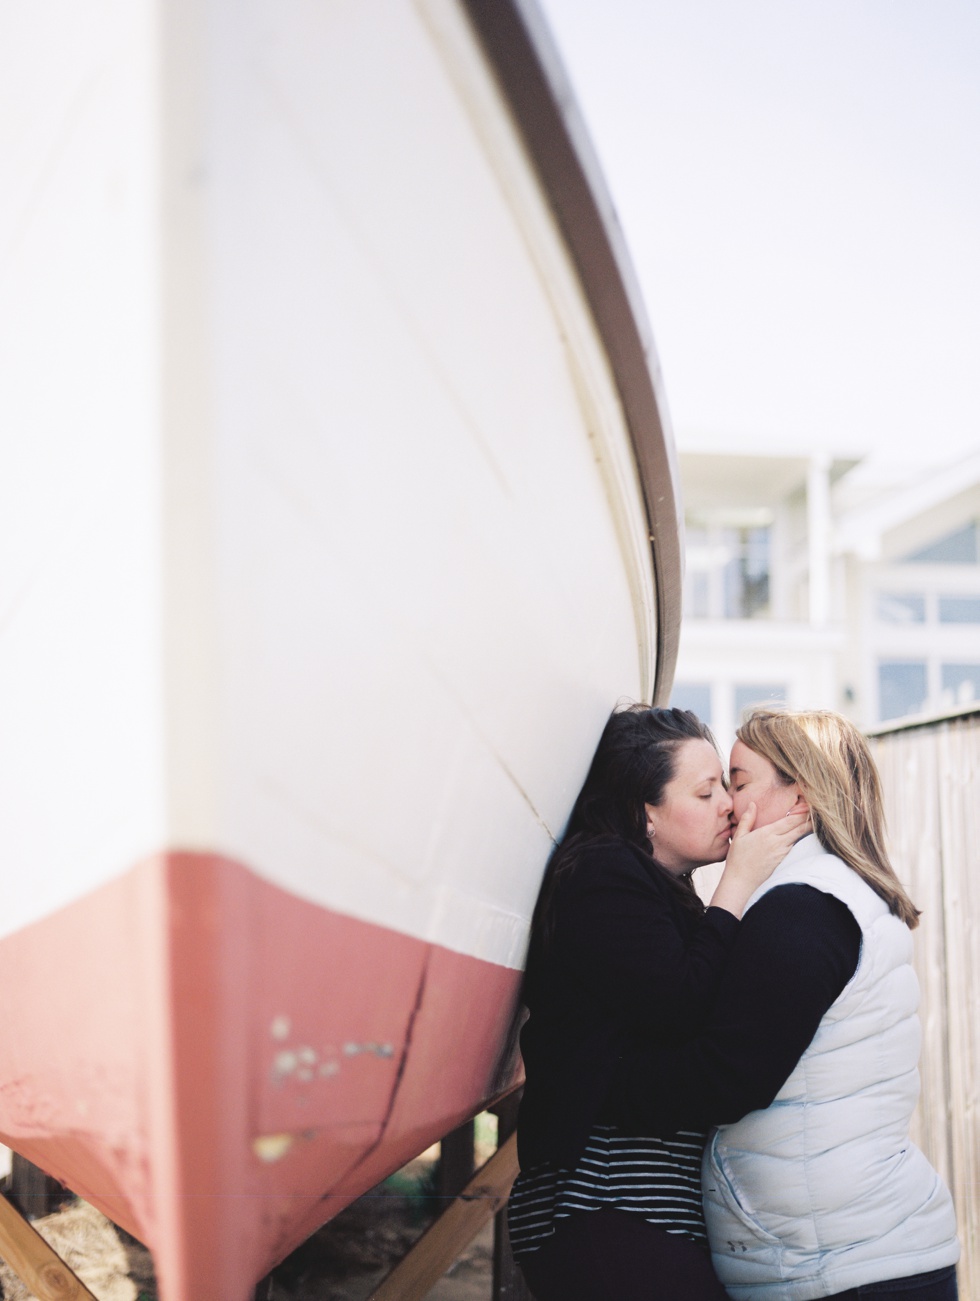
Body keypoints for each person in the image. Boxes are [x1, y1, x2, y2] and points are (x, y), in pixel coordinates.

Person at [618, 707, 960, 1300]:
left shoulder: (801, 908)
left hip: (840, 1266)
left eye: (739, 782)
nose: (725, 801)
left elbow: (728, 1079)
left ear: (798, 797)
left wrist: (589, 1077)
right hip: (847, 1251)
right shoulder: (832, 895)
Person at [508, 703, 809, 1301]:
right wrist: (738, 886)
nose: (728, 803)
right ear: (644, 811)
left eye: (727, 784)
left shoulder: (659, 891)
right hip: (599, 1200)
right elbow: (681, 1007)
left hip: (643, 1207)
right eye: (705, 793)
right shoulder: (602, 874)